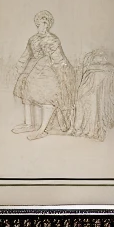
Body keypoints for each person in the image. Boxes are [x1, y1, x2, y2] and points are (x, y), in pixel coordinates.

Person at [12, 10, 75, 140]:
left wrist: (65, 70)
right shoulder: (33, 39)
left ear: (48, 25)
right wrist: (19, 65)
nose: (42, 27)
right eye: (39, 24)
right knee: (26, 92)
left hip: (48, 70)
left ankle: (42, 129)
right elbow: (26, 54)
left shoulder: (53, 40)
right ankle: (29, 124)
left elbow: (59, 57)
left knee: (47, 96)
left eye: (44, 24)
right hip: (32, 68)